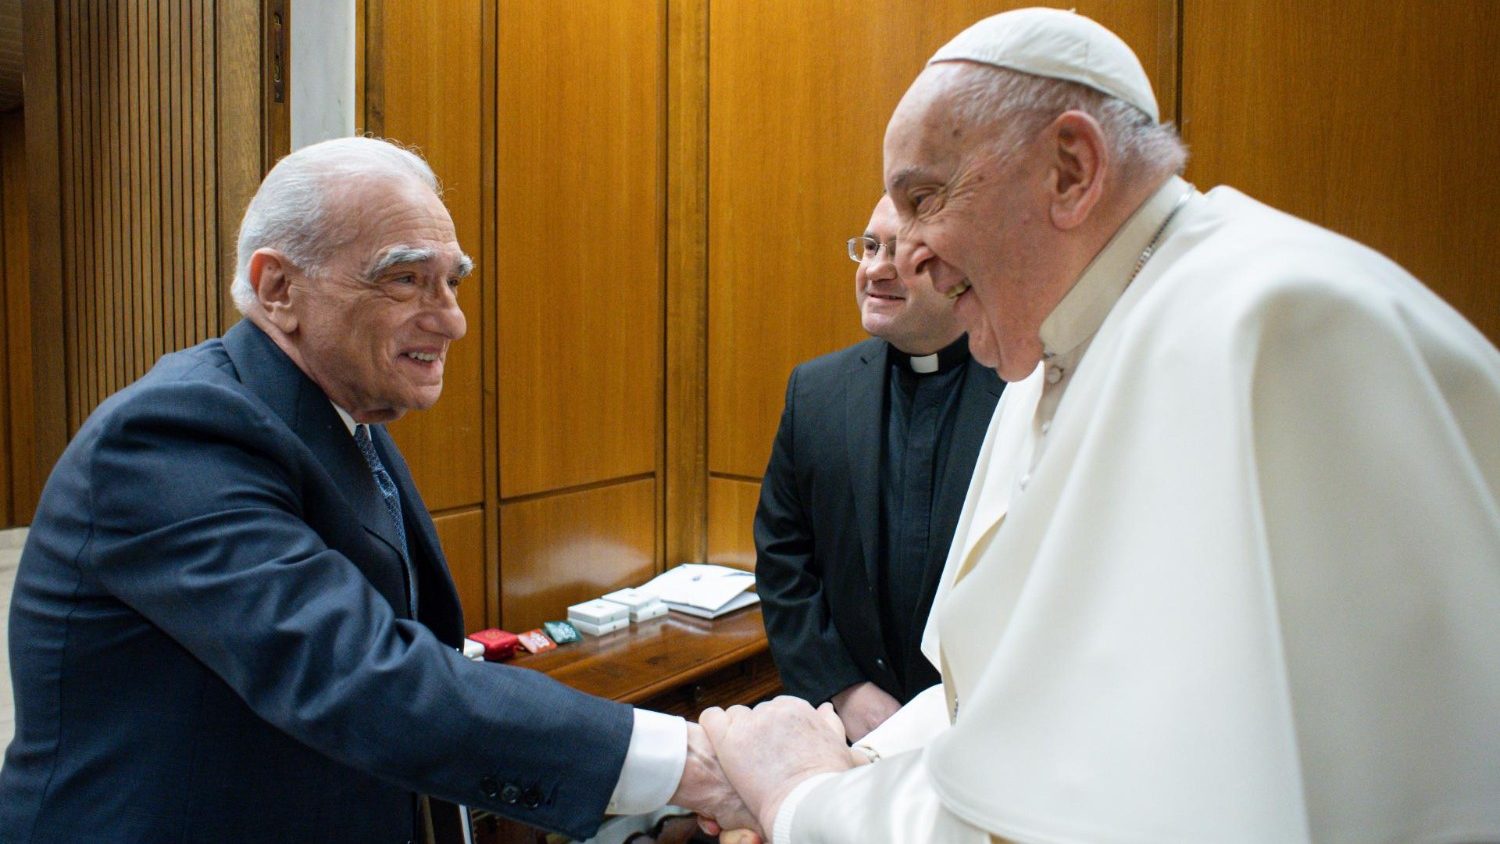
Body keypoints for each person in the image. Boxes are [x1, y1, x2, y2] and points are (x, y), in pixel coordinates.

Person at [700, 8, 1500, 843]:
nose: (909, 255)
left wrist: (804, 799)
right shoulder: (1050, 356)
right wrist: (853, 772)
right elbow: (1006, 716)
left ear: (1070, 170)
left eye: (924, 199)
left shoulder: (1272, 329)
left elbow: (1128, 801)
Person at [0, 137, 746, 843]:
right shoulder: (174, 433)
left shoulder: (344, 413)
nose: (451, 319)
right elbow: (360, 676)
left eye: (452, 281)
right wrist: (690, 763)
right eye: (404, 278)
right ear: (278, 287)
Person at [756, 195, 1001, 741]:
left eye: (901, 251)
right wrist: (840, 688)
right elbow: (782, 557)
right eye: (869, 247)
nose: (874, 269)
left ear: (960, 268)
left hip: (985, 731)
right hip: (851, 731)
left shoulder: (1024, 393)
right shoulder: (816, 391)